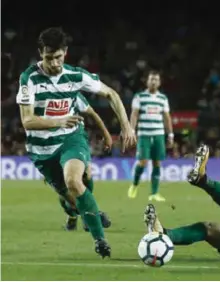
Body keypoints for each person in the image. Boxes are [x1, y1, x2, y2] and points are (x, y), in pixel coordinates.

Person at [16, 27, 136, 258]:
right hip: (42, 150)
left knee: (74, 180)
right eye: (49, 58)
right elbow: (28, 120)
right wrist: (59, 119)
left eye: (59, 57)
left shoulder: (75, 75)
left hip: (71, 138)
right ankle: (91, 211)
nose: (55, 64)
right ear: (41, 54)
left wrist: (126, 126)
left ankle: (100, 241)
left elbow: (111, 94)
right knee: (72, 199)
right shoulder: (29, 78)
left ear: (65, 53)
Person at [59, 93, 112, 232]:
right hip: (54, 144)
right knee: (63, 190)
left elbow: (93, 114)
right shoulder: (44, 95)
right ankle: (74, 215)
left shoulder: (74, 94)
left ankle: (87, 215)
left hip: (76, 140)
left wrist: (106, 135)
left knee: (86, 175)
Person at [127, 71, 174, 202]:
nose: (153, 82)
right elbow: (134, 114)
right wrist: (131, 130)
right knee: (143, 162)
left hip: (159, 134)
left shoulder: (163, 98)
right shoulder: (139, 97)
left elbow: (166, 117)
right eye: (151, 79)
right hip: (144, 135)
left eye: (156, 80)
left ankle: (154, 193)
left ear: (159, 83)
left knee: (157, 162)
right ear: (147, 81)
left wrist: (170, 134)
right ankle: (134, 185)